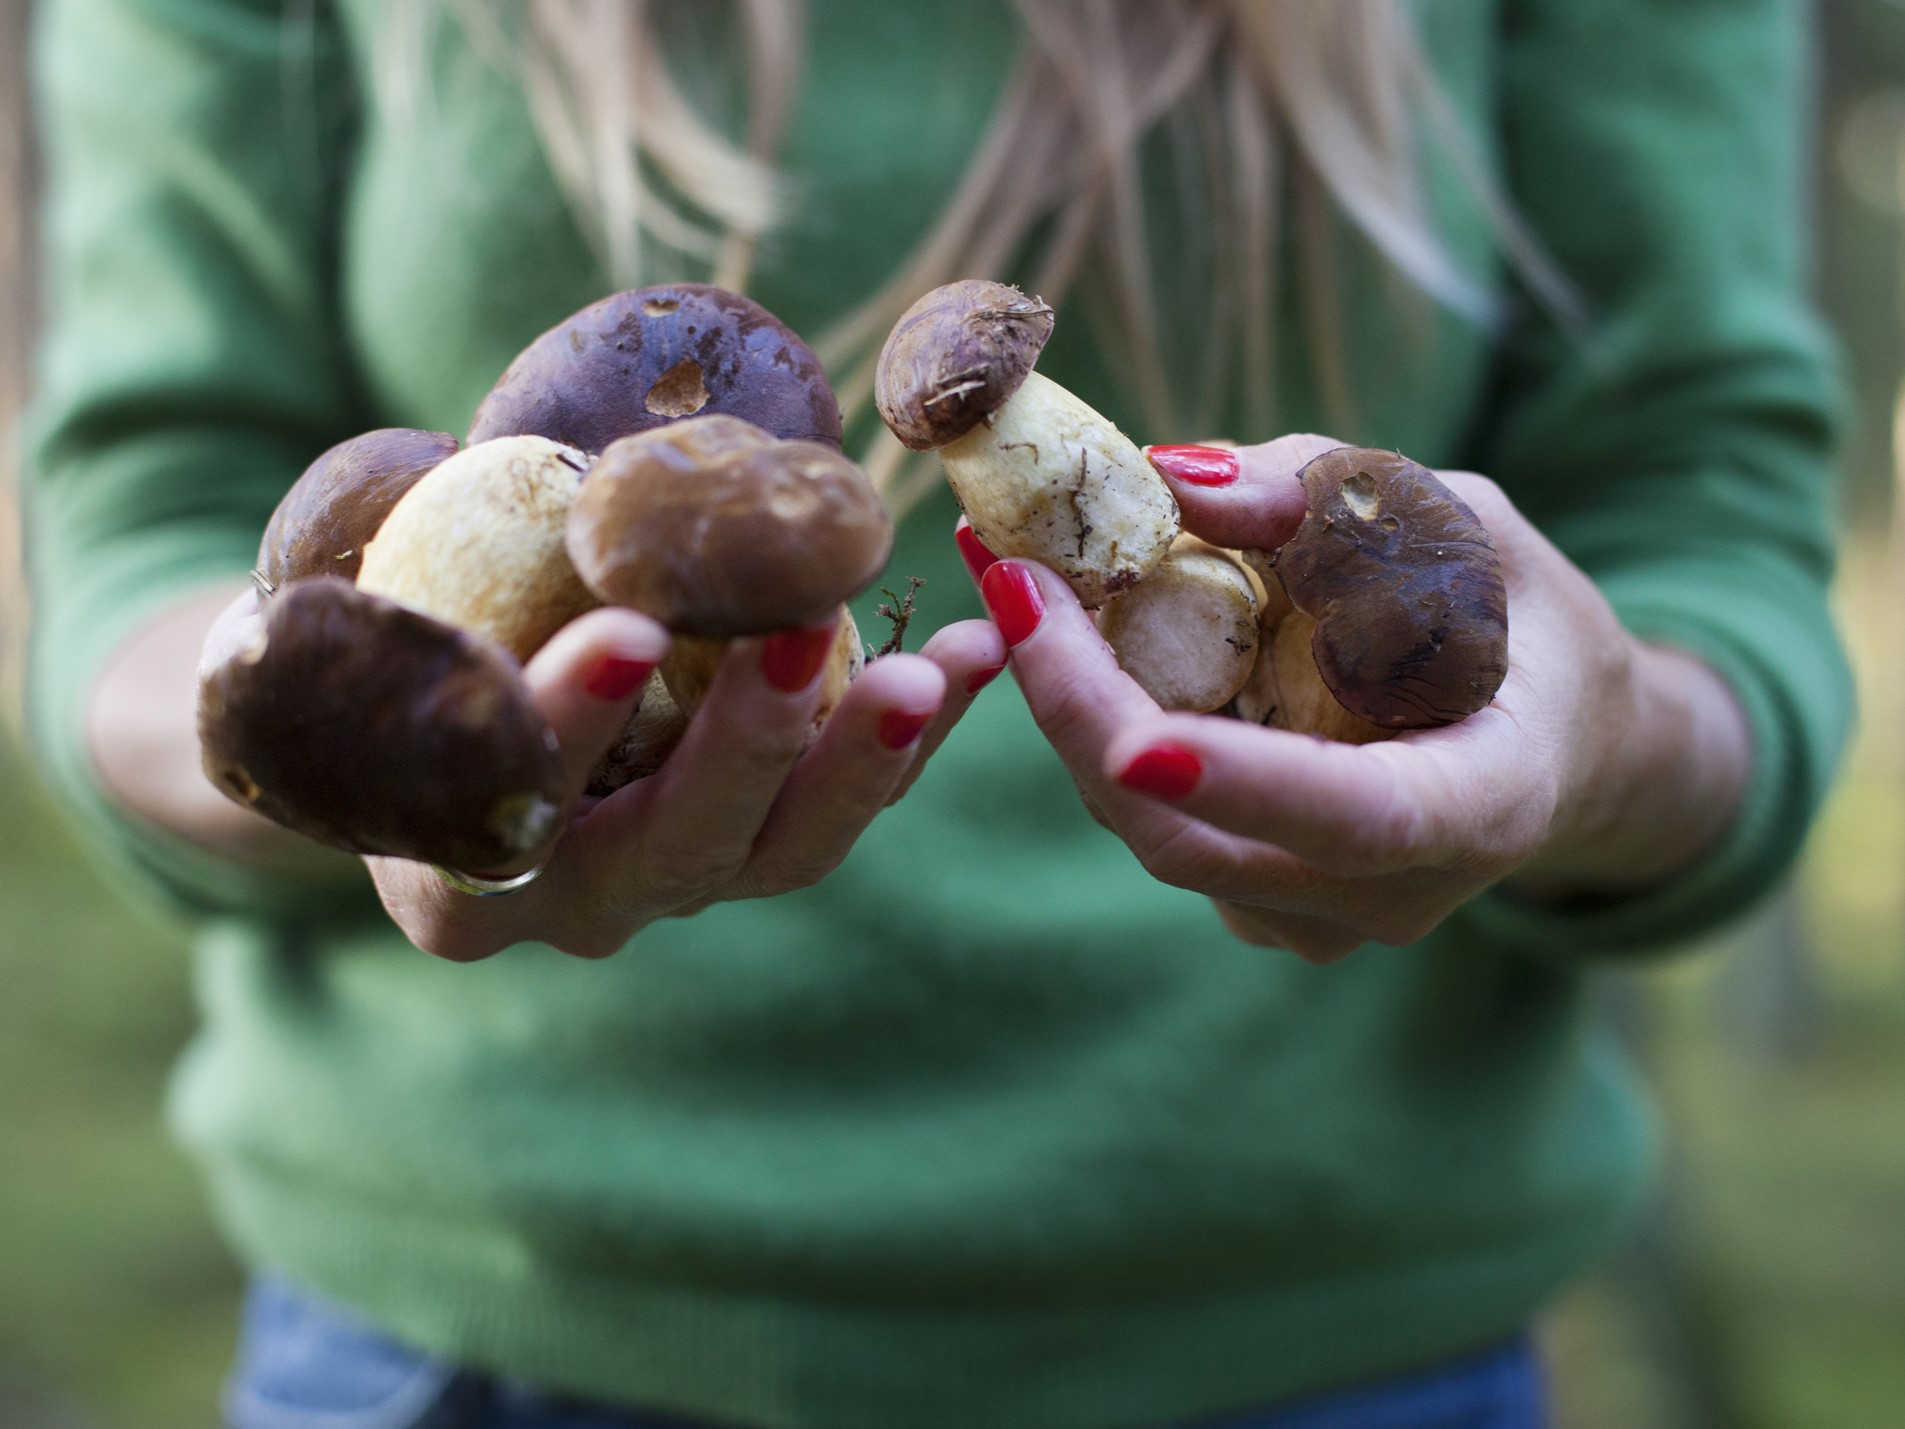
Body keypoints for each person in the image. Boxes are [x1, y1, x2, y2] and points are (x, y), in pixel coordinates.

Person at [24, 0, 1850, 1426]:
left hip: (1320, 1327)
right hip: (465, 1331)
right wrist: (366, 755)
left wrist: (1597, 745)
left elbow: (1703, 524)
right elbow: (148, 513)